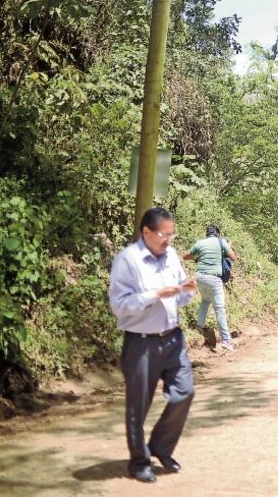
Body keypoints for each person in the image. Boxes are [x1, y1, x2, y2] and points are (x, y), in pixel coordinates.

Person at [109, 207, 197, 484]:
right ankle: (139, 462)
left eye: (172, 234)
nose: (168, 240)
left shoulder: (171, 256)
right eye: (163, 234)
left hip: (173, 338)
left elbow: (179, 296)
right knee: (138, 406)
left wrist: (185, 290)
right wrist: (154, 295)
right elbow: (120, 306)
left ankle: (160, 446)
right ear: (146, 232)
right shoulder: (128, 260)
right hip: (141, 342)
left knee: (185, 392)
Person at [184, 225, 238, 351]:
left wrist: (198, 257)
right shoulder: (221, 242)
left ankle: (199, 327)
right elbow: (233, 257)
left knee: (205, 301)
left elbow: (185, 256)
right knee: (219, 309)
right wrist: (226, 248)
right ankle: (226, 341)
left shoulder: (200, 243)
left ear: (206, 234)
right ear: (217, 234)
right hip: (214, 279)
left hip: (200, 278)